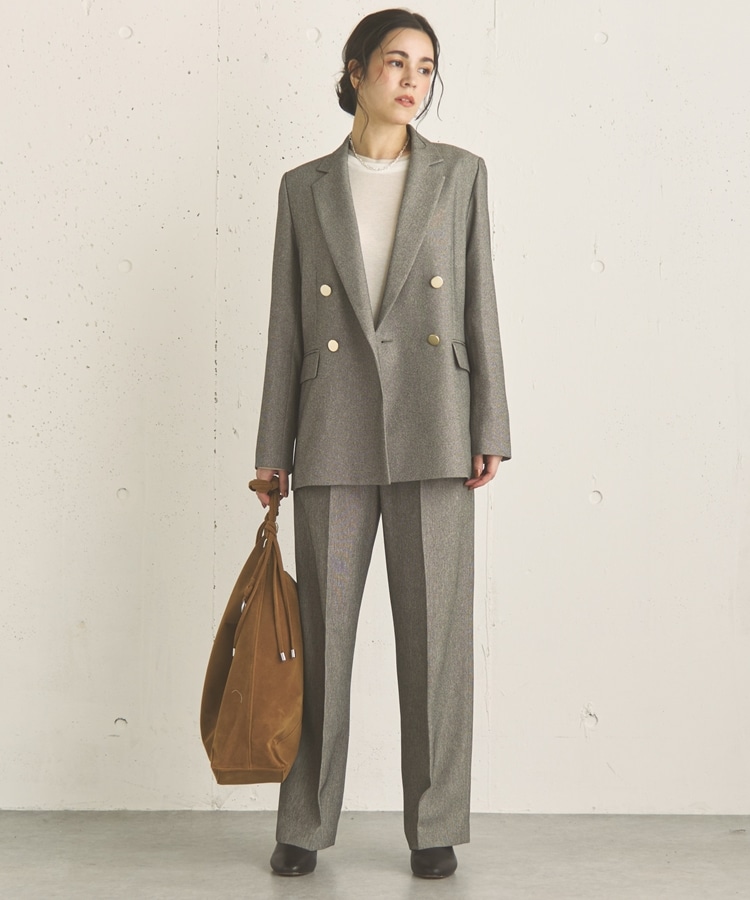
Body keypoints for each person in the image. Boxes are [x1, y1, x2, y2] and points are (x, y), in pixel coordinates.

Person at [254, 7, 510, 879]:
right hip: (331, 430)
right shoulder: (304, 187)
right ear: (356, 71)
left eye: (426, 67)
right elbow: (286, 326)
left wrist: (490, 424)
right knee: (319, 643)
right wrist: (273, 446)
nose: (413, 81)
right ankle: (305, 822)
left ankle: (434, 823)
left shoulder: (460, 175)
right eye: (396, 63)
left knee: (436, 643)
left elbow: (480, 302)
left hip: (437, 423)